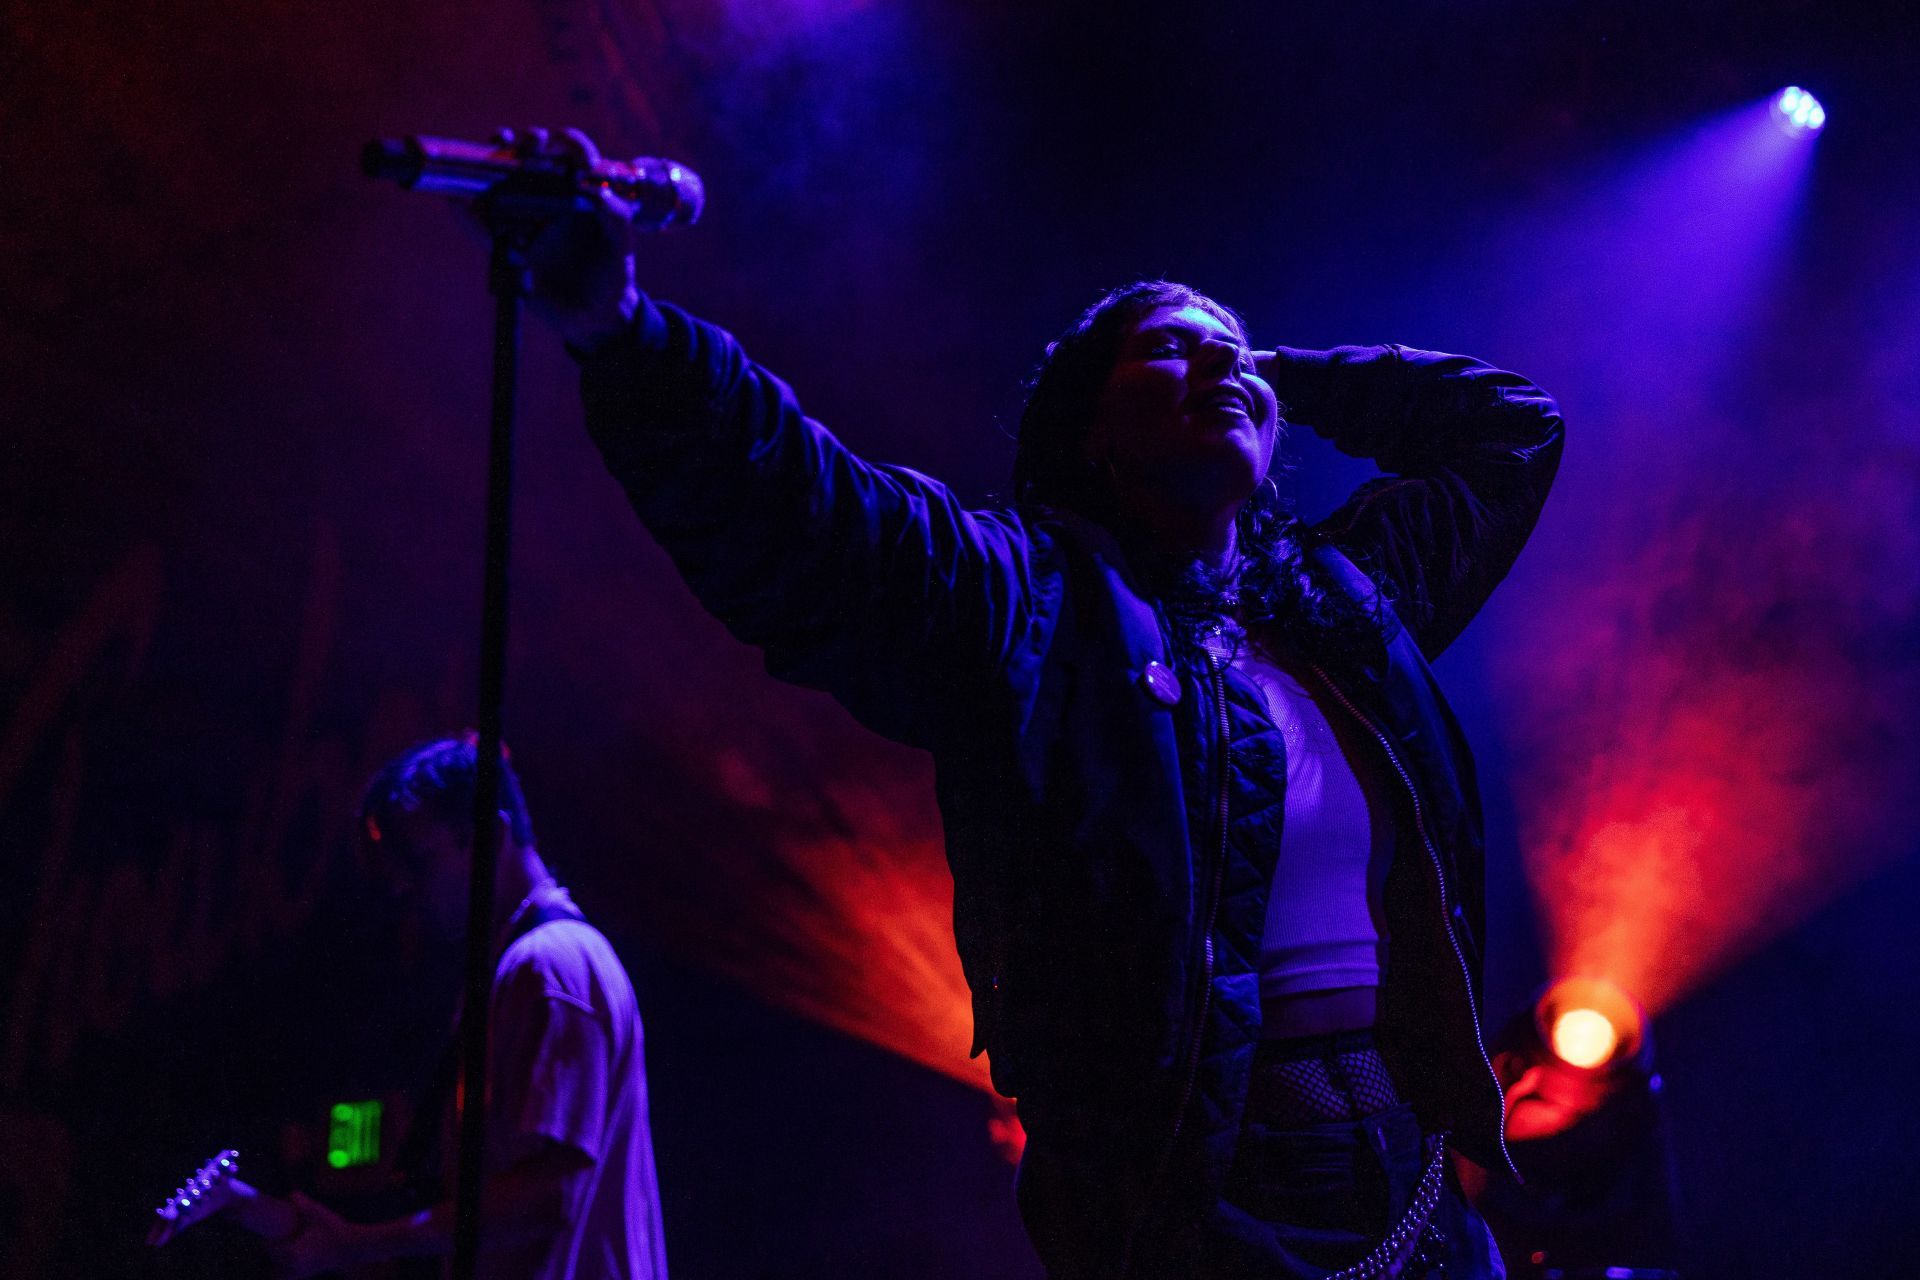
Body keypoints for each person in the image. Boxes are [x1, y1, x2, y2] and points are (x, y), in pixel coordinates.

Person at [511, 126, 1562, 1278]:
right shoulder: (1030, 602)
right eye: (1172, 349)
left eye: (1234, 355)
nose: (1221, 366)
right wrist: (618, 328)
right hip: (1199, 1200)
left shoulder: (1347, 602)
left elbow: (1512, 434)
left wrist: (1278, 373)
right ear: (1092, 434)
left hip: (1412, 1176)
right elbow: (809, 515)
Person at [272, 736, 670, 1280]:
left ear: (489, 837)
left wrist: (363, 1244)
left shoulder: (550, 966)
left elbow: (549, 1195)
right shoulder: (527, 968)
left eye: (415, 861)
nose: (401, 890)